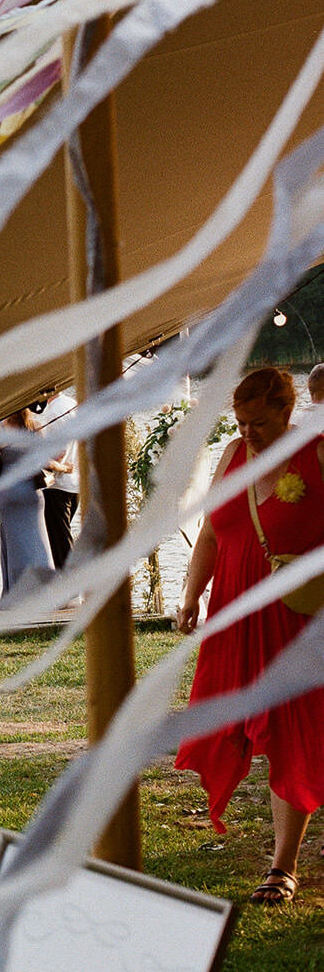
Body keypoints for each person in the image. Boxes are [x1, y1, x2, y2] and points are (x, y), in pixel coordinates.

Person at [174, 366, 324, 905]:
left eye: (258, 422)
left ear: (288, 411)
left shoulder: (318, 454)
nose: (247, 432)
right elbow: (213, 531)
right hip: (233, 615)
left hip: (293, 619)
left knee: (290, 732)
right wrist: (193, 594)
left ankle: (283, 866)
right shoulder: (231, 458)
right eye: (239, 421)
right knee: (230, 726)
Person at [0, 408, 54, 601]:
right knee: (37, 539)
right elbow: (44, 461)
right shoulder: (34, 426)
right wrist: (64, 467)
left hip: (8, 491)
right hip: (30, 490)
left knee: (13, 542)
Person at [42, 390, 79, 570]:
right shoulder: (72, 404)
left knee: (59, 539)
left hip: (58, 483)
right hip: (75, 482)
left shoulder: (53, 412)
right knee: (63, 535)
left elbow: (59, 452)